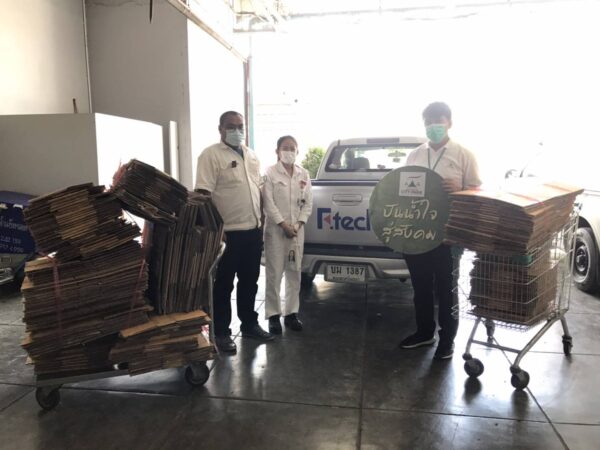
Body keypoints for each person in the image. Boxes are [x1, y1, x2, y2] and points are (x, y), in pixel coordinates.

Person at [399, 102, 481, 360]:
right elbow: (402, 192)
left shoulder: (464, 155)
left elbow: (478, 192)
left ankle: (447, 340)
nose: (433, 126)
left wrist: (461, 189)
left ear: (449, 123)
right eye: (428, 122)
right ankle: (424, 333)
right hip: (416, 233)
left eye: (438, 121)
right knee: (420, 286)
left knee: (447, 289)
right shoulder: (415, 155)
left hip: (448, 234)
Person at [195, 110, 274, 354]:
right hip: (228, 233)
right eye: (231, 126)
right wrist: (215, 229)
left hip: (252, 230)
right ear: (220, 129)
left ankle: (249, 324)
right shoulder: (210, 155)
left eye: (240, 126)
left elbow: (257, 189)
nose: (237, 130)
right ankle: (221, 333)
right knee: (223, 285)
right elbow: (203, 195)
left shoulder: (251, 155)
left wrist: (261, 220)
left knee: (250, 281)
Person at [262, 136, 313, 333]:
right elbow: (268, 203)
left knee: (294, 272)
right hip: (276, 231)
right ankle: (273, 316)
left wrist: (298, 225)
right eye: (285, 148)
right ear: (277, 151)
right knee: (274, 274)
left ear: (297, 152)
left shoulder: (304, 174)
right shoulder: (270, 173)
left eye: (293, 148)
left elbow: (308, 203)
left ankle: (291, 314)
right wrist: (283, 225)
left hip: (296, 231)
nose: (289, 151)